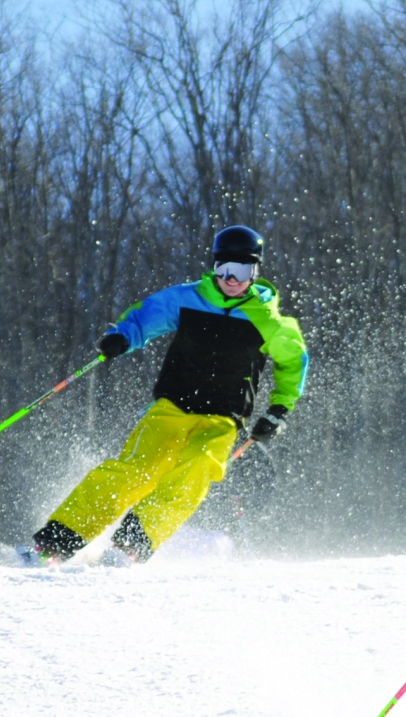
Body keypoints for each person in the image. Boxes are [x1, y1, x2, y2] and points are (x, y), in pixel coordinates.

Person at [19, 225, 308, 566]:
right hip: (172, 407)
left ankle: (131, 545)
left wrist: (279, 409)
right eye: (224, 268)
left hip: (222, 420)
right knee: (134, 472)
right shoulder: (189, 298)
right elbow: (145, 316)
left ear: (255, 271)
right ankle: (55, 544)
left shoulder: (271, 321)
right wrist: (123, 336)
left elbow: (293, 363)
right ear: (214, 267)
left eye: (242, 270)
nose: (231, 278)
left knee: (195, 472)